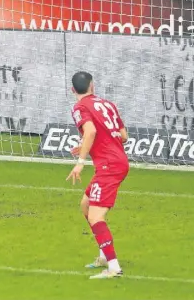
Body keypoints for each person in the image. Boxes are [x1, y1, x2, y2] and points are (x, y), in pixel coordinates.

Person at [66, 71, 129, 279]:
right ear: (92, 86)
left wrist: (80, 163)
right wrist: (85, 147)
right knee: (85, 204)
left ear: (73, 90)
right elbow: (123, 136)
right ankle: (103, 255)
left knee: (95, 216)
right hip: (116, 160)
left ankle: (113, 267)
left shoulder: (80, 107)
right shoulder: (108, 104)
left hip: (108, 166)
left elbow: (91, 131)